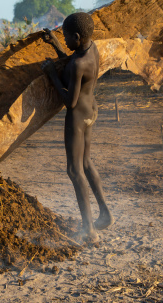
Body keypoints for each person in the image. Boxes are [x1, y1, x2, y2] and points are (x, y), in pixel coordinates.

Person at [41, 13, 114, 243]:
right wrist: (57, 46)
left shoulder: (78, 63)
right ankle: (105, 213)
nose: (65, 40)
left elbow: (69, 101)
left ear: (77, 36)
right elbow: (74, 69)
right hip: (90, 111)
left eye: (65, 37)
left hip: (77, 116)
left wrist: (52, 74)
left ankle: (89, 230)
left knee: (74, 170)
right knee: (86, 162)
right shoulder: (91, 51)